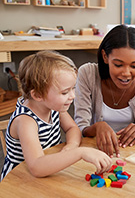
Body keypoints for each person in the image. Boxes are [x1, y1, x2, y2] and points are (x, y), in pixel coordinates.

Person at [0, 51, 112, 181]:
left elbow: (72, 129)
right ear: (37, 95)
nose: (73, 96)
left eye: (73, 88)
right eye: (65, 92)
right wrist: (80, 152)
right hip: (19, 181)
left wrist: (71, 146)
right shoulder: (26, 121)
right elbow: (37, 166)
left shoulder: (53, 106)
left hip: (48, 172)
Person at [74, 25, 135, 158]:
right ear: (105, 57)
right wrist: (96, 127)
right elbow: (80, 127)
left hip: (133, 153)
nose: (126, 73)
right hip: (94, 152)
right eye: (118, 65)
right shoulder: (87, 73)